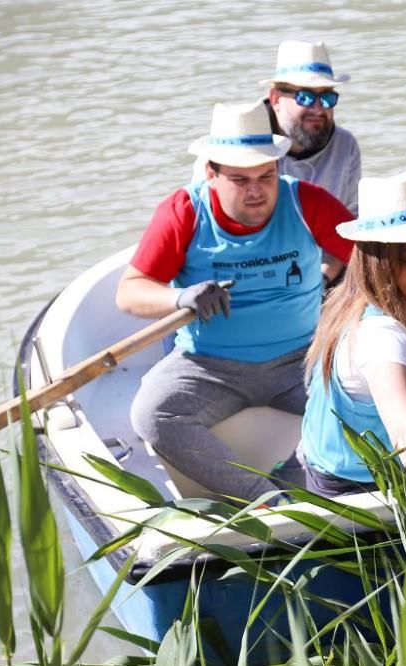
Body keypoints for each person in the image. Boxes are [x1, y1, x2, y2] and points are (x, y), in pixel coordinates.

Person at [117, 100, 354, 503]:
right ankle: (267, 502)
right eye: (240, 180)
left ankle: (300, 481)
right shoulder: (183, 212)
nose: (258, 191)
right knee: (152, 416)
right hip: (209, 365)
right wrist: (181, 297)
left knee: (366, 401)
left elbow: (366, 256)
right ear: (211, 173)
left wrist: (336, 279)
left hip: (302, 358)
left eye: (267, 175)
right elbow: (130, 291)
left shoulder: (307, 202)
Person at [300, 169, 406, 554]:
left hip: (329, 464)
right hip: (361, 484)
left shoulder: (363, 301)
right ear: (377, 262)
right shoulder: (384, 336)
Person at [191, 39, 361, 215]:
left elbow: (351, 217)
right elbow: (198, 219)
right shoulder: (228, 150)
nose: (318, 109)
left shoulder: (346, 145)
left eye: (327, 98)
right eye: (305, 97)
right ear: (275, 99)